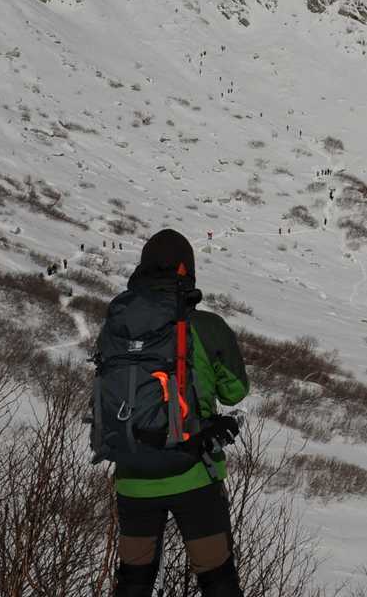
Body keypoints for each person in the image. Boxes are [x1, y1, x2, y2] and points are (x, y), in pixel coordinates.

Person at [108, 228, 251, 597]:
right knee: (218, 580)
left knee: (133, 581)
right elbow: (235, 391)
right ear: (187, 271)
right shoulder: (205, 326)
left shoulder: (118, 326)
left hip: (133, 475)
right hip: (194, 472)